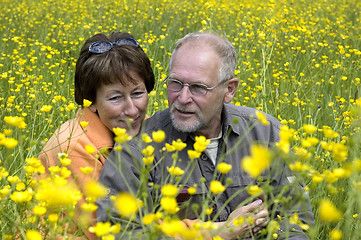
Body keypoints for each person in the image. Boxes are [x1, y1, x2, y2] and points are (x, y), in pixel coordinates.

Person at [97, 32, 314, 239]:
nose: (182, 98)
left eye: (198, 88)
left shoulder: (265, 133)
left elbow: (296, 220)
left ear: (229, 90)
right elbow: (121, 232)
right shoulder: (138, 149)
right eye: (175, 83)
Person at [38, 32, 155, 239]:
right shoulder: (72, 148)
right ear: (90, 101)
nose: (132, 110)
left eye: (137, 93)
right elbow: (109, 230)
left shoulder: (144, 130)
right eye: (116, 97)